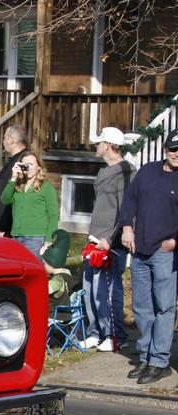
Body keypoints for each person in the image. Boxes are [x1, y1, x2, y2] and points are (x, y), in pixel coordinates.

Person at [118, 128, 178, 385]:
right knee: (143, 308)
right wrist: (127, 228)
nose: (177, 154)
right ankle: (145, 356)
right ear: (166, 149)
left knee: (164, 308)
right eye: (174, 149)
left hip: (165, 252)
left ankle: (159, 361)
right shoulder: (147, 171)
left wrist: (173, 242)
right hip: (139, 249)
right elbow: (129, 201)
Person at [81, 126, 133, 353]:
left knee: (108, 291)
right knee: (90, 287)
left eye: (99, 143)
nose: (96, 146)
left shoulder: (127, 172)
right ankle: (95, 332)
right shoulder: (103, 172)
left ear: (109, 145)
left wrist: (111, 240)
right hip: (94, 238)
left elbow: (126, 211)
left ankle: (114, 335)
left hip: (111, 243)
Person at [0, 151, 58, 260]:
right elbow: (5, 200)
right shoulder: (17, 186)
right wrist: (13, 178)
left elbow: (53, 216)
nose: (28, 168)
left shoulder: (46, 187)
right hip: (16, 237)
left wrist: (49, 240)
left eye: (31, 164)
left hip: (36, 239)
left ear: (39, 167)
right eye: (25, 165)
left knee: (32, 271)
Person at [0, 124, 29, 236]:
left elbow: (17, 196)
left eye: (4, 138)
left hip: (7, 230)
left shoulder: (23, 162)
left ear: (12, 140)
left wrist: (3, 227)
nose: (3, 141)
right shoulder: (12, 161)